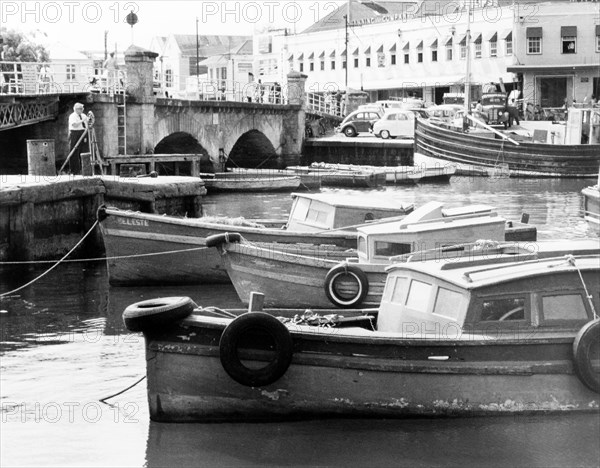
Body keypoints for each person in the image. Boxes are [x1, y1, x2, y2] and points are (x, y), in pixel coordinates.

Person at [67, 103, 89, 174]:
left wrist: (85, 136)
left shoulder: (84, 115)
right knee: (74, 151)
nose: (82, 110)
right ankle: (74, 170)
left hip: (83, 132)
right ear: (76, 109)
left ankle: (85, 169)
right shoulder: (72, 116)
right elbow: (74, 125)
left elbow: (86, 125)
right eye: (80, 109)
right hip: (74, 133)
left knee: (84, 151)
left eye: (82, 109)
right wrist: (82, 120)